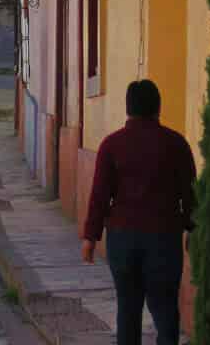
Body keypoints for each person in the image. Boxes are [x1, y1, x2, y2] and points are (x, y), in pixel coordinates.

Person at [81, 79, 196, 345]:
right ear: (158, 108)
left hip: (122, 239)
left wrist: (90, 237)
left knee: (128, 309)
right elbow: (190, 193)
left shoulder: (111, 145)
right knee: (166, 310)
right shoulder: (176, 144)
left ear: (127, 109)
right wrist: (192, 227)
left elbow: (100, 195)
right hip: (163, 238)